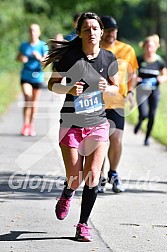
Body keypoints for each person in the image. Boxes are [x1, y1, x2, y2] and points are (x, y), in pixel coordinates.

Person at [44, 12, 119, 242]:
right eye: (86, 29)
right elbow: (51, 84)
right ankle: (68, 193)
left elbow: (117, 89)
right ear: (79, 33)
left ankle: (82, 224)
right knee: (75, 178)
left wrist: (108, 89)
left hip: (97, 123)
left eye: (95, 28)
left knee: (93, 175)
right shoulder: (69, 57)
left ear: (101, 32)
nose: (92, 33)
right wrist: (68, 89)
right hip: (71, 124)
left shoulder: (109, 58)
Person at [98, 16, 138, 193]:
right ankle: (98, 177)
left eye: (113, 31)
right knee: (100, 141)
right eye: (106, 31)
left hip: (117, 102)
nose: (110, 34)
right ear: (101, 32)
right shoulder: (94, 49)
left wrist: (129, 92)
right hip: (95, 103)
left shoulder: (127, 49)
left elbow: (132, 73)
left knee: (116, 140)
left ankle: (113, 173)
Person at [134, 34, 167, 146]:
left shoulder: (159, 61)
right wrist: (136, 78)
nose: (149, 48)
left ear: (155, 47)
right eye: (147, 46)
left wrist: (160, 79)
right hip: (142, 90)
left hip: (154, 91)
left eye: (151, 46)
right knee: (144, 114)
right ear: (144, 47)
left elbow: (165, 75)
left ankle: (147, 138)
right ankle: (140, 121)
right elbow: (133, 74)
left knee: (152, 115)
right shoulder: (139, 59)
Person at [16, 23, 48, 136]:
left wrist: (39, 57)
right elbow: (18, 57)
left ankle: (31, 125)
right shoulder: (24, 45)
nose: (32, 33)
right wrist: (22, 58)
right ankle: (25, 125)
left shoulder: (43, 46)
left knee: (34, 103)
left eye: (34, 30)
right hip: (26, 76)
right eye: (30, 30)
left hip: (38, 77)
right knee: (27, 99)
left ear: (39, 32)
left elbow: (46, 61)